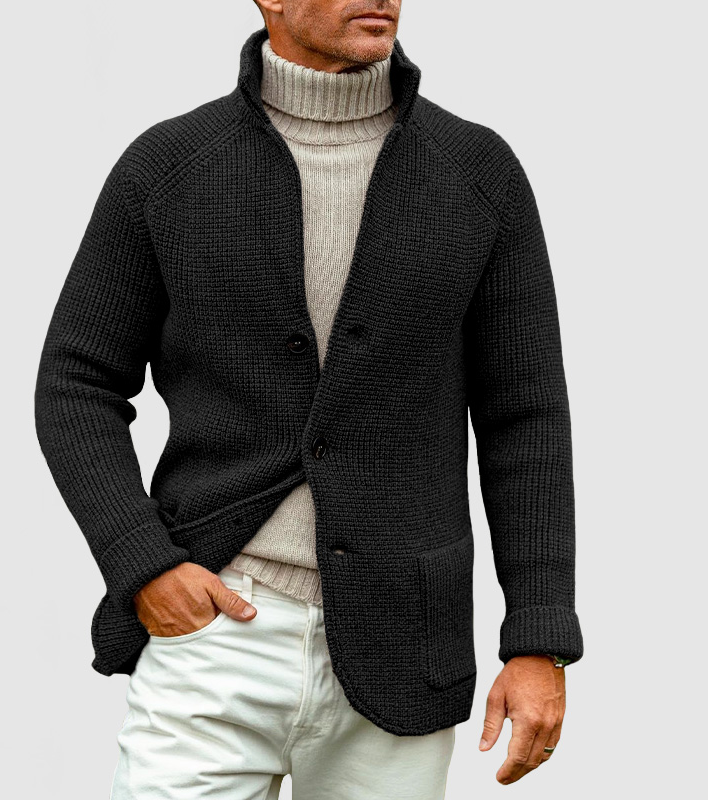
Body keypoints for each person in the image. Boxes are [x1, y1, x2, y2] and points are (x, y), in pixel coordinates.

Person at [34, 2, 584, 797]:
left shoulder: (475, 172)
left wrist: (539, 636)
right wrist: (143, 562)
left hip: (405, 637)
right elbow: (75, 380)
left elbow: (525, 419)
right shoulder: (170, 167)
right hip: (219, 630)